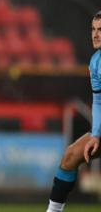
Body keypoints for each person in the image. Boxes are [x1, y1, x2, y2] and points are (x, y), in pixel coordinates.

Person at [46, 11, 101, 212]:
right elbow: (98, 101)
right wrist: (95, 135)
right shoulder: (96, 62)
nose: (96, 34)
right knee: (70, 156)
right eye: (93, 30)